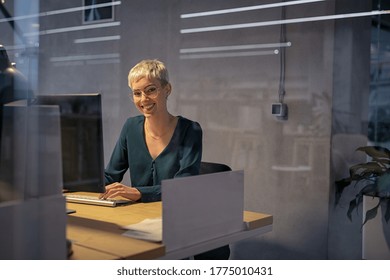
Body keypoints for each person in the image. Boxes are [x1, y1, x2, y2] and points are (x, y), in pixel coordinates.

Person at [101, 59, 202, 202]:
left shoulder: (190, 130)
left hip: (176, 213)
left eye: (151, 90)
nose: (144, 99)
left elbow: (183, 186)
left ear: (167, 89)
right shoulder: (131, 127)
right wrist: (71, 184)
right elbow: (110, 176)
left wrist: (138, 192)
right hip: (139, 215)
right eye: (137, 93)